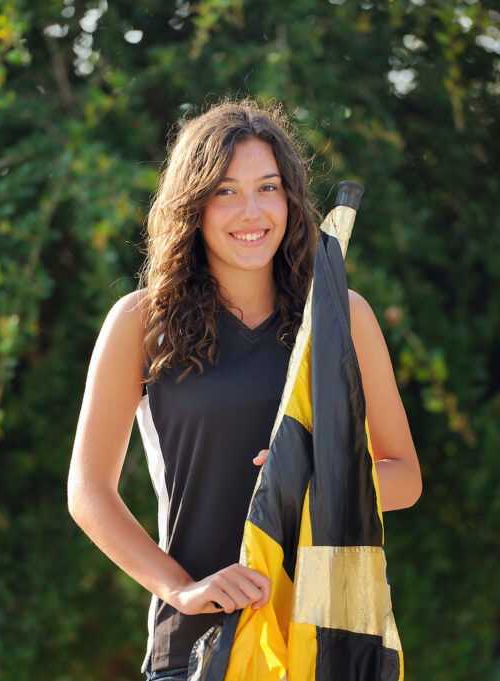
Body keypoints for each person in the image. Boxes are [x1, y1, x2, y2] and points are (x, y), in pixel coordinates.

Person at [66, 100, 421, 681]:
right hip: (195, 651)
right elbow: (88, 490)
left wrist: (314, 476)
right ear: (194, 206)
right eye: (226, 191)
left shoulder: (342, 316)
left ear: (290, 199)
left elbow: (404, 476)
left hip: (321, 650)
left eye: (268, 187)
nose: (251, 210)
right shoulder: (139, 322)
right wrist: (180, 589)